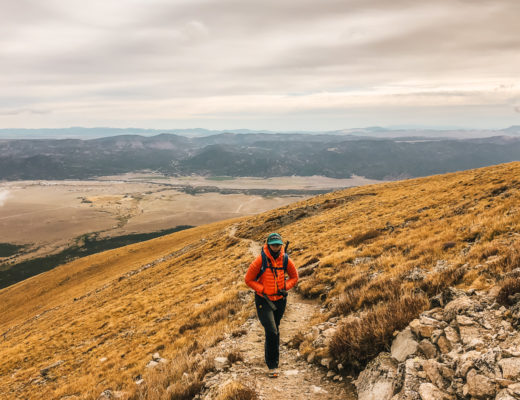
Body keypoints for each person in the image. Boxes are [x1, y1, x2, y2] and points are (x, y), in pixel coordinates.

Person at [244, 232, 299, 378]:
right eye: (273, 244)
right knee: (272, 331)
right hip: (264, 301)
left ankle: (271, 358)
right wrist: (262, 289)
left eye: (278, 245)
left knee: (274, 330)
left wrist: (285, 287)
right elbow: (248, 280)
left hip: (280, 300)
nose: (276, 247)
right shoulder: (259, 261)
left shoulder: (286, 259)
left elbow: (295, 277)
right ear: (268, 245)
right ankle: (273, 366)